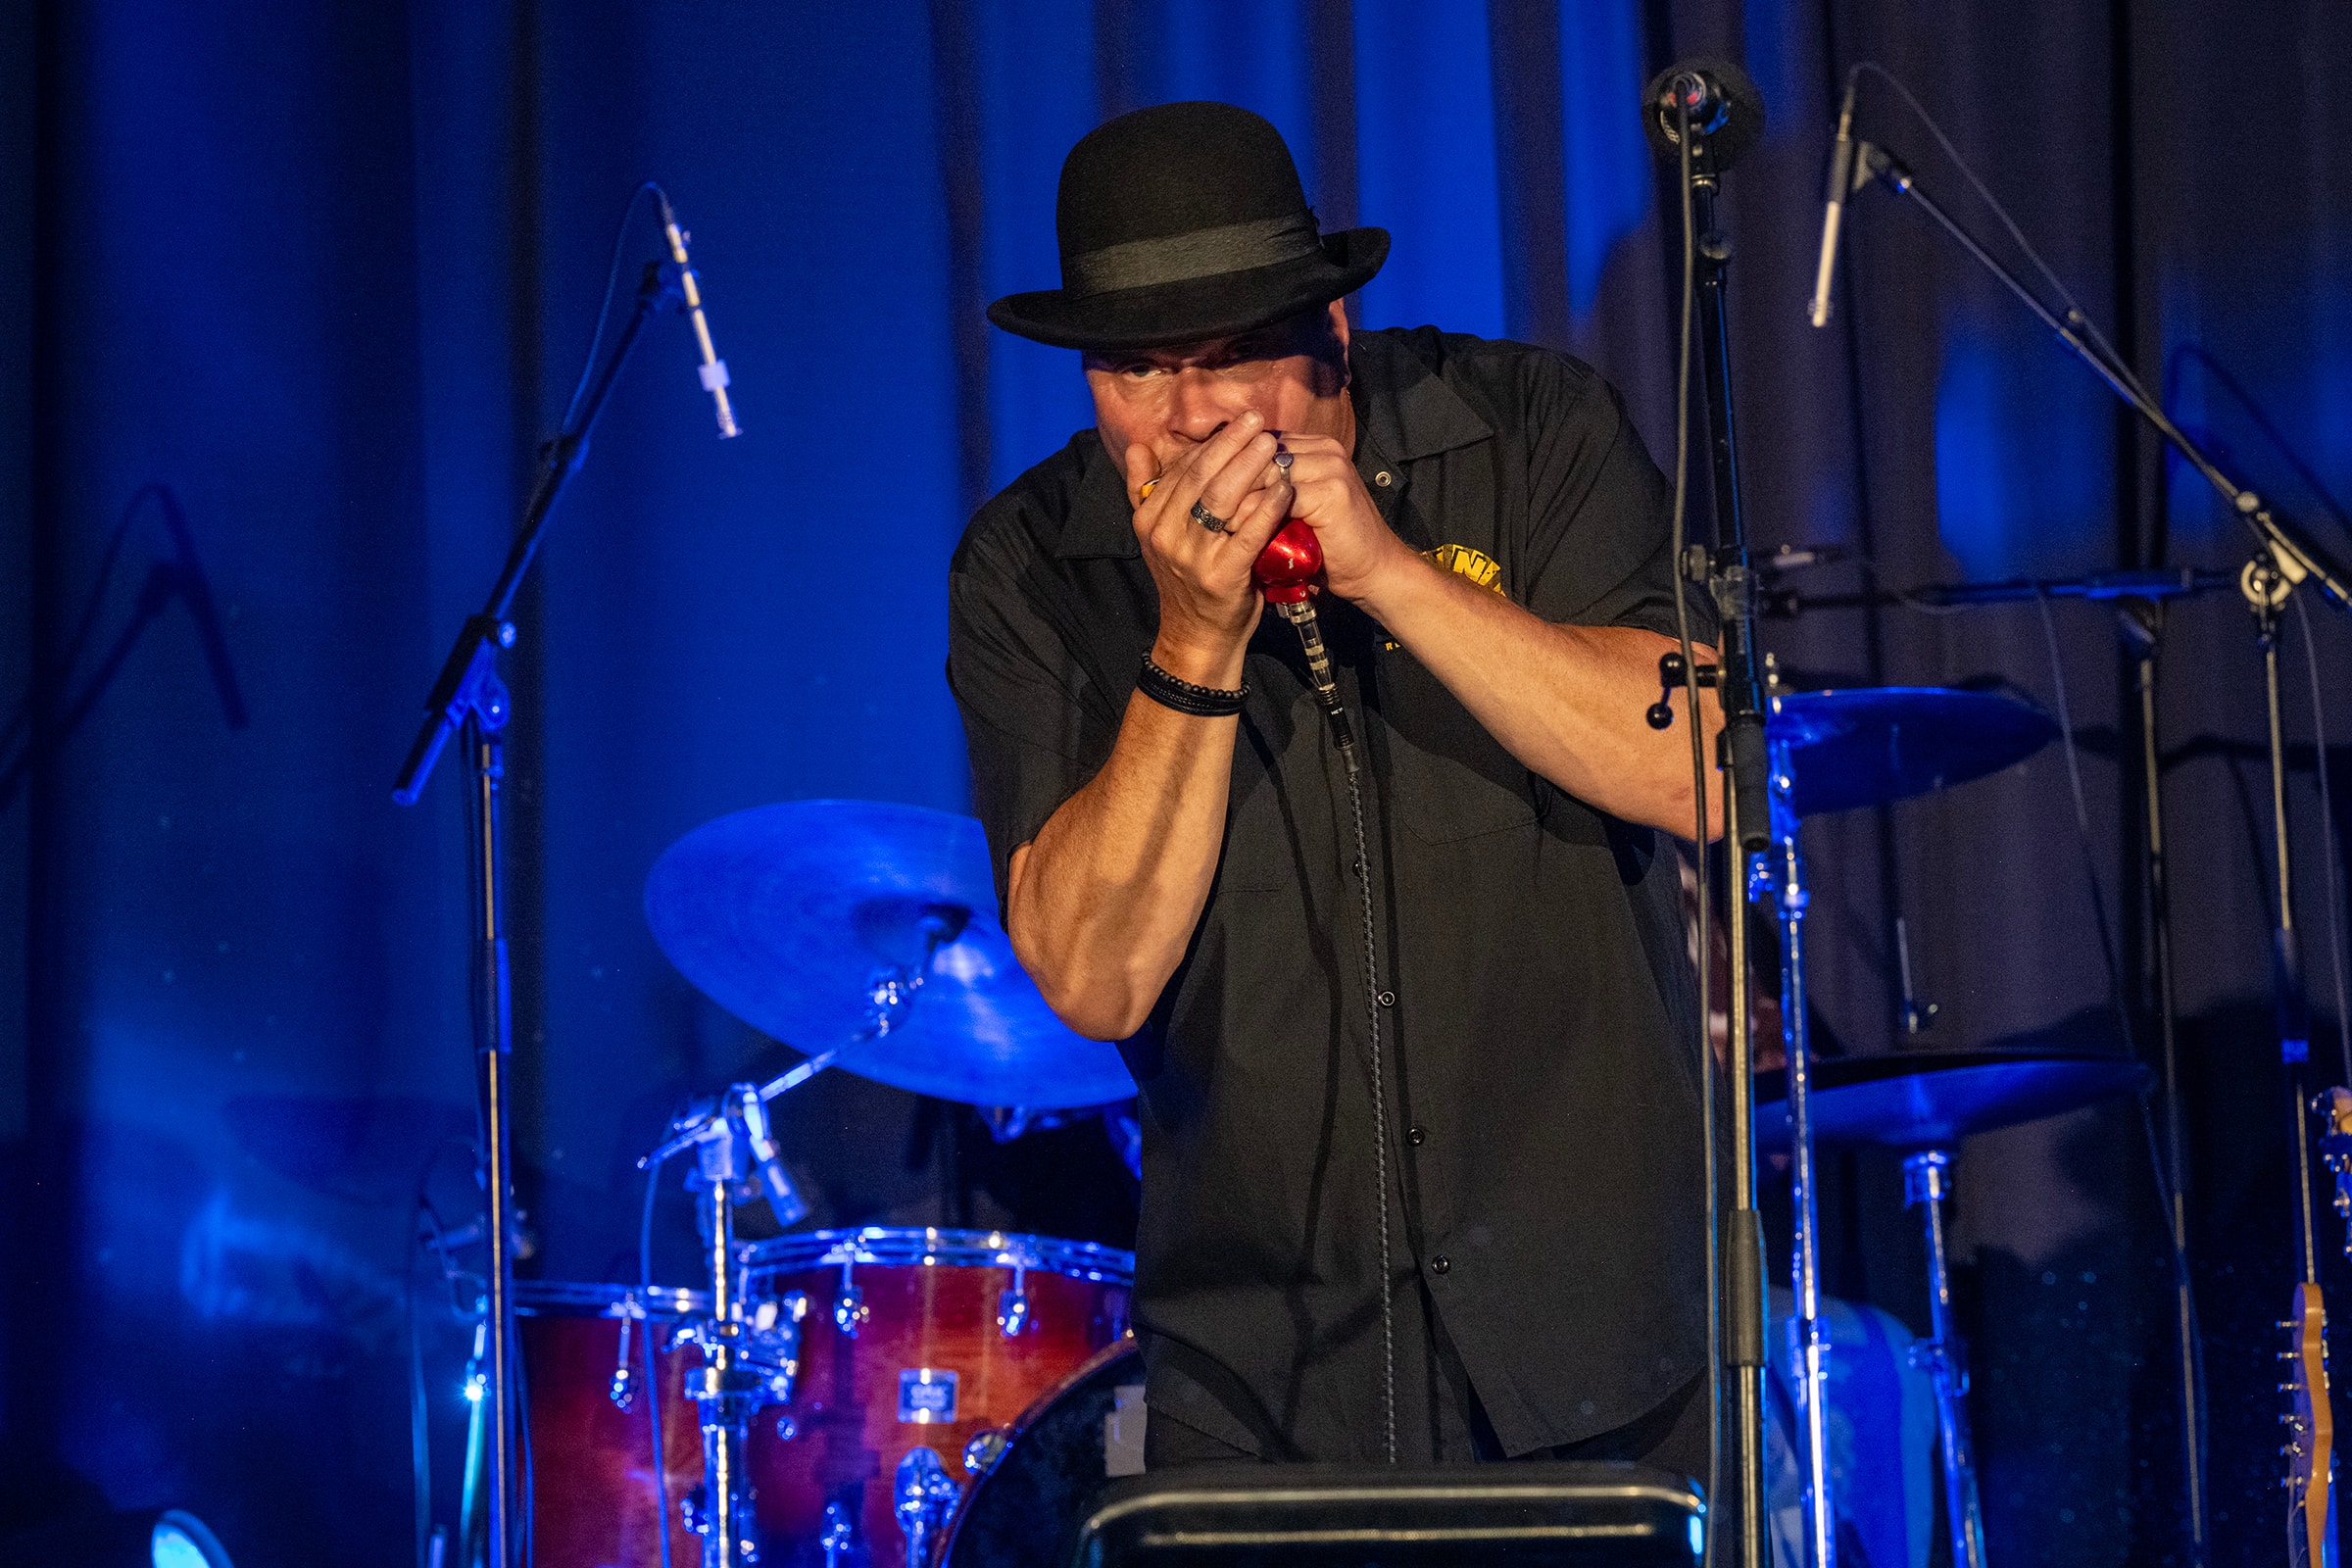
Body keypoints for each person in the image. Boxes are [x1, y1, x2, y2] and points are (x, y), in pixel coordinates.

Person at [947, 101, 1724, 1477]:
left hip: (1599, 1340)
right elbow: (1094, 981)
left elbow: (1704, 769)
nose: (1190, 417)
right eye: (1137, 370)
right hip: (1263, 1374)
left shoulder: (1526, 431)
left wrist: (1387, 574)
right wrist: (1192, 644)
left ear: (1335, 333)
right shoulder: (1031, 566)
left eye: (1234, 357)